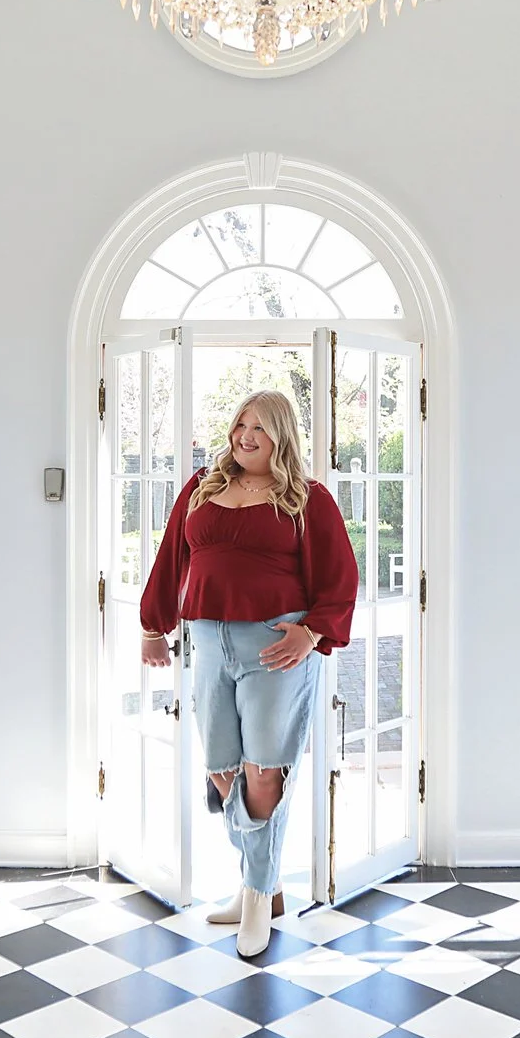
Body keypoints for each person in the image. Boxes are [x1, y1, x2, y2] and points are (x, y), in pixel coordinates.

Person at [141, 389, 359, 956]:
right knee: (222, 768)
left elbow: (340, 578)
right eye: (240, 424)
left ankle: (256, 899)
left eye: (260, 427)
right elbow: (171, 560)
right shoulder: (201, 490)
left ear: (281, 435)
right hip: (207, 640)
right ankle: (262, 883)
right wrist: (152, 626)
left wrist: (309, 632)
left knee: (264, 772)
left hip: (274, 644)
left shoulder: (307, 500)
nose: (245, 435)